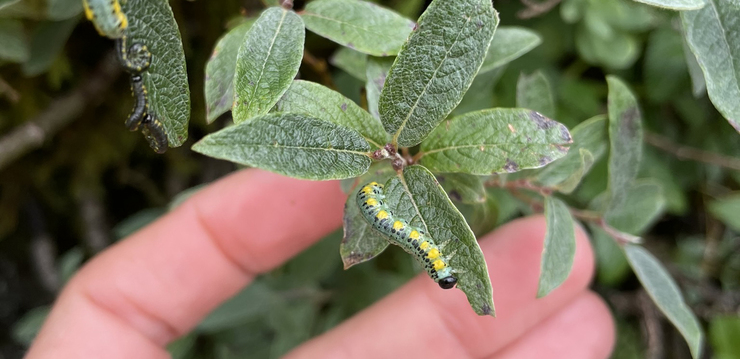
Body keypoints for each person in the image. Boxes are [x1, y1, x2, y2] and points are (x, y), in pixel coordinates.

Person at [25, 169, 615, 359]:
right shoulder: (415, 238)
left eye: (442, 268)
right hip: (375, 204)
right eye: (441, 269)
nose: (439, 267)